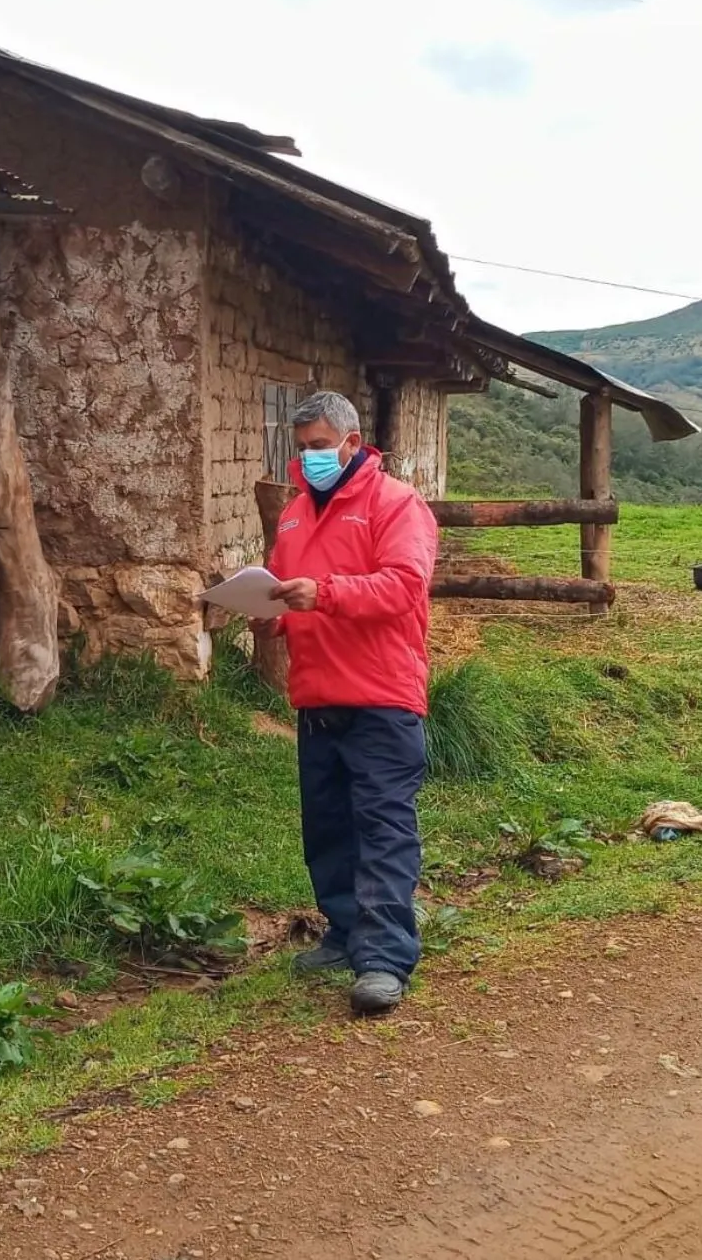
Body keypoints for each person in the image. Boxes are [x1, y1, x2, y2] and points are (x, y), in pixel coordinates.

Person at [259, 390, 438, 1014]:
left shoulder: (397, 505)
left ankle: (385, 959)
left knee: (383, 829)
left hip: (383, 697)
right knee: (329, 828)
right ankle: (343, 932)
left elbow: (404, 586)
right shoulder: (292, 516)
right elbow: (287, 593)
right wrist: (264, 615)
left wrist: (324, 594)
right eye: (302, 447)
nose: (309, 458)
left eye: (319, 447)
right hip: (317, 696)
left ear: (353, 444)